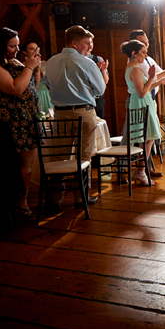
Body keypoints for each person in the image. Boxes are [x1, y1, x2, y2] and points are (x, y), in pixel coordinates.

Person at [45, 25, 107, 212]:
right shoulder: (86, 63)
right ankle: (81, 197)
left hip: (60, 114)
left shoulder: (51, 62)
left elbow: (49, 84)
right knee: (84, 156)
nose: (90, 47)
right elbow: (100, 89)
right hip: (84, 112)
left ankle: (54, 200)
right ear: (74, 43)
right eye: (87, 43)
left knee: (59, 157)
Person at [0, 28, 42, 218]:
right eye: (12, 46)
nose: (17, 49)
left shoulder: (14, 62)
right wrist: (29, 67)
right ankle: (18, 203)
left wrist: (33, 68)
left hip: (28, 119)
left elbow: (30, 86)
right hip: (11, 122)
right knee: (17, 165)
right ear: (0, 45)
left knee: (28, 164)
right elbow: (15, 88)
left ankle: (22, 201)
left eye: (17, 45)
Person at [122, 30, 165, 178]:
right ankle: (132, 171)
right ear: (134, 52)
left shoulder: (143, 62)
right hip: (140, 102)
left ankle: (142, 170)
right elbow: (142, 91)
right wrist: (151, 79)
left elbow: (152, 81)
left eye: (146, 44)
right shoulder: (134, 68)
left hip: (147, 101)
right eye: (143, 50)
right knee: (141, 137)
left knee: (148, 138)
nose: (145, 51)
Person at [20, 40, 53, 116]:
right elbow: (34, 85)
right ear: (25, 52)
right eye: (31, 49)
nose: (35, 51)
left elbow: (51, 81)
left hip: (47, 93)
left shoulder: (45, 63)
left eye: (36, 49)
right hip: (35, 93)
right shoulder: (22, 66)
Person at [83, 36, 109, 119]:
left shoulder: (98, 59)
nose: (90, 46)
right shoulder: (79, 61)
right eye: (87, 43)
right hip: (85, 100)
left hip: (98, 100)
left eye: (91, 43)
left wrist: (103, 70)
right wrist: (95, 71)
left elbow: (105, 82)